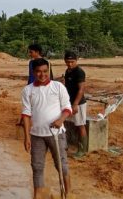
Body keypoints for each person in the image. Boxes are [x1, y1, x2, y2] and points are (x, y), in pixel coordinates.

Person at [21, 58, 72, 198]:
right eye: (38, 72)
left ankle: (67, 194)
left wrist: (61, 120)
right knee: (37, 167)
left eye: (45, 71)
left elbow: (67, 108)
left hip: (56, 134)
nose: (42, 74)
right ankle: (38, 195)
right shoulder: (28, 90)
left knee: (61, 165)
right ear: (34, 72)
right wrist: (26, 137)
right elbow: (26, 114)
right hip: (37, 135)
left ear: (48, 70)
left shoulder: (58, 87)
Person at [63, 51, 88, 158]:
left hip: (78, 103)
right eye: (68, 62)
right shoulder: (68, 71)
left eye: (72, 62)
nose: (70, 64)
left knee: (80, 125)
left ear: (76, 60)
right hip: (69, 102)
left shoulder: (79, 72)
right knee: (68, 124)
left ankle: (83, 150)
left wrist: (75, 104)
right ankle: (68, 145)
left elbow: (81, 89)